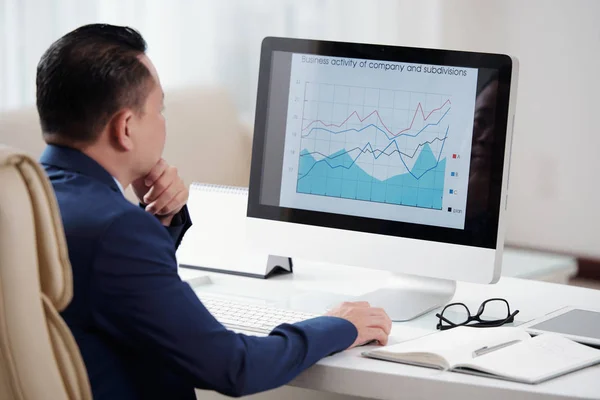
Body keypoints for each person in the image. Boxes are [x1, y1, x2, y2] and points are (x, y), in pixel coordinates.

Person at [36, 24, 392, 400]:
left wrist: (157, 221)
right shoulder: (117, 231)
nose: (162, 122)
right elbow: (234, 367)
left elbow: (109, 293)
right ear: (125, 128)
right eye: (159, 109)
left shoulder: (29, 199)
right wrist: (338, 325)